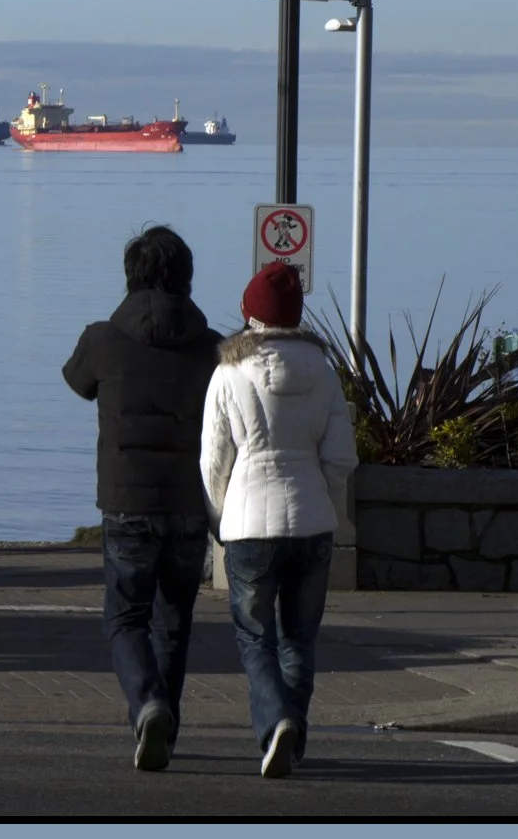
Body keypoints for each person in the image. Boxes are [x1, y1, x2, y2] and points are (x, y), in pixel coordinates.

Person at [61, 225, 222, 772]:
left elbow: (75, 381)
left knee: (126, 618)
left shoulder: (103, 338)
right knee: (173, 621)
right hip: (187, 503)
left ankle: (147, 705)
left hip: (126, 500)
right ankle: (165, 726)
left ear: (130, 276)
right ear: (186, 276)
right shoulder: (213, 349)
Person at [200, 261, 356, 779]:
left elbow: (213, 460)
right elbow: (341, 459)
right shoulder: (325, 372)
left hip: (249, 526)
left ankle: (275, 725)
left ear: (250, 315)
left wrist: (221, 515)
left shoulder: (227, 373)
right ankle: (294, 733)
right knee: (299, 640)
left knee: (254, 638)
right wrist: (327, 504)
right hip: (312, 522)